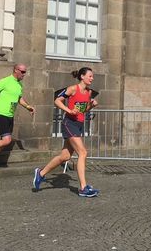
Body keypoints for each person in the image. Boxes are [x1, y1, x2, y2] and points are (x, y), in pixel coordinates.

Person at [32, 67, 100, 197]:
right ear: (82, 77)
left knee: (65, 157)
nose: (92, 78)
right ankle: (83, 188)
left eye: (92, 76)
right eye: (90, 76)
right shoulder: (73, 89)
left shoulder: (88, 92)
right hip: (69, 124)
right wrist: (68, 111)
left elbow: (83, 110)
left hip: (79, 124)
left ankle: (40, 174)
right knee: (83, 152)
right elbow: (57, 100)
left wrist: (91, 106)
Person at [0, 63, 35, 170]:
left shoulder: (19, 85)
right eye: (22, 72)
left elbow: (19, 99)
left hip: (10, 116)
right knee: (7, 140)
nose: (24, 74)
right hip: (1, 114)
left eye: (25, 72)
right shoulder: (5, 81)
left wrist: (28, 107)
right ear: (15, 70)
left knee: (4, 143)